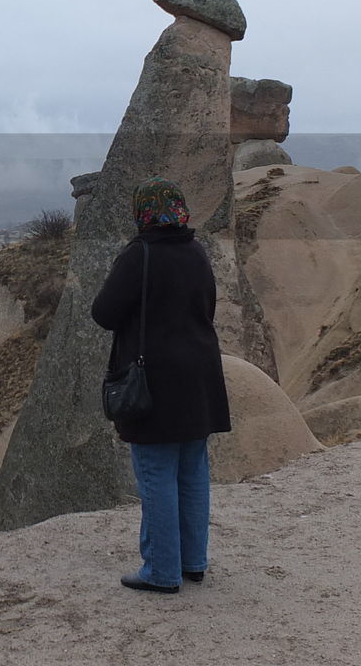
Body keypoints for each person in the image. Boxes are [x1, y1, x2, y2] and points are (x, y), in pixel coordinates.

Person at [90, 175, 232, 593]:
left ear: (142, 212)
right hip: (200, 376)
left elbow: (104, 312)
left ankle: (161, 571)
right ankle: (194, 562)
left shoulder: (141, 255)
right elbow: (206, 304)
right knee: (192, 472)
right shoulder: (196, 252)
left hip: (155, 380)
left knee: (155, 474)